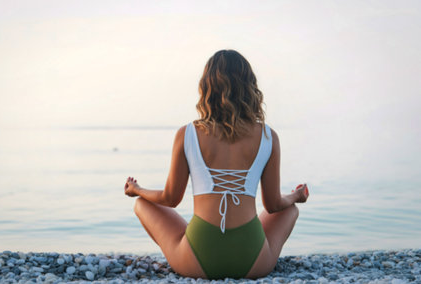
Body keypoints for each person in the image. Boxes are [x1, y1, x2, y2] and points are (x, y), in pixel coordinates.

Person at [124, 49, 309, 279]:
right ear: (250, 87)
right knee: (289, 209)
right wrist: (296, 196)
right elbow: (273, 205)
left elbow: (171, 199)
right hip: (253, 262)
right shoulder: (268, 137)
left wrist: (137, 189)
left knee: (142, 204)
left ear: (206, 88)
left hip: (196, 260)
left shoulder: (187, 134)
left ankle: (195, 245)